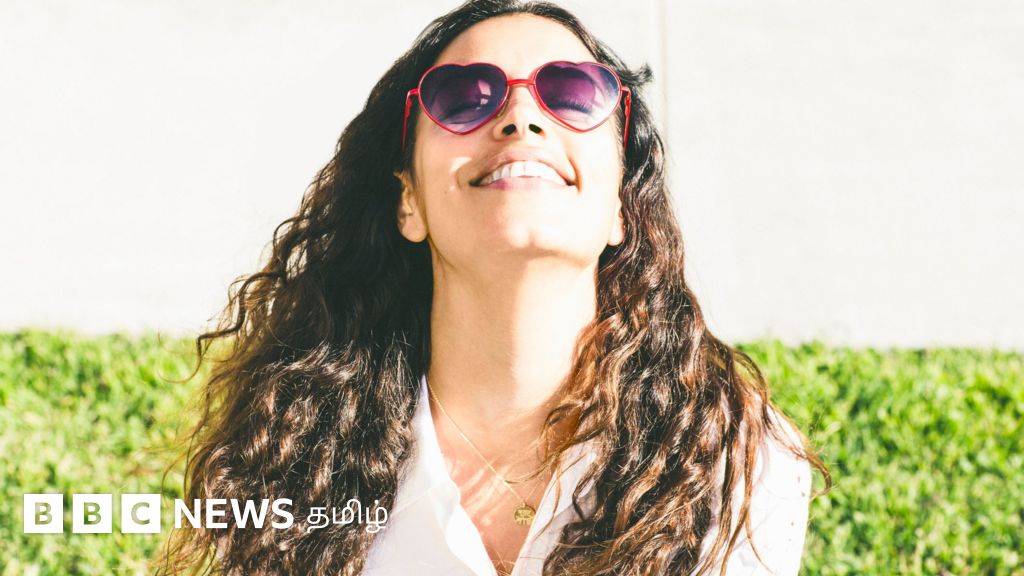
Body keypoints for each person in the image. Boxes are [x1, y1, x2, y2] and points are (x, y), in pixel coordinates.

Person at [156, 1, 830, 575]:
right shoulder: (294, 453)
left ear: (620, 208)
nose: (521, 116)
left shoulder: (739, 461)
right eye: (464, 97)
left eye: (572, 92)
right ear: (409, 202)